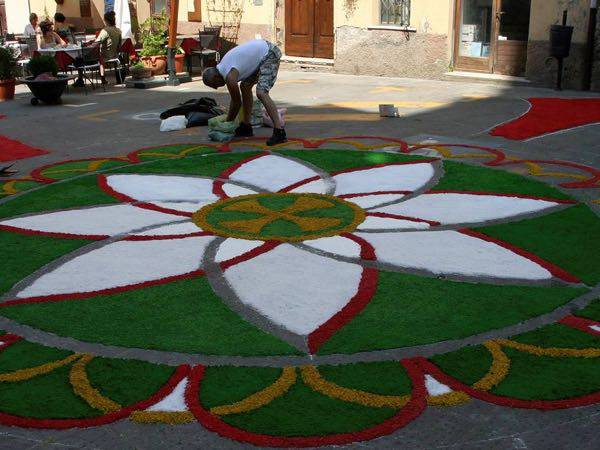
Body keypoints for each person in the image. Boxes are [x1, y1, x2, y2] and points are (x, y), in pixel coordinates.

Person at [202, 39, 286, 146]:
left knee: (261, 93)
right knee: (245, 87)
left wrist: (227, 124)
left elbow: (236, 103)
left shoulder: (229, 76)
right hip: (260, 56)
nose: (217, 87)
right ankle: (246, 126)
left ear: (215, 77)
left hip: (269, 53)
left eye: (215, 85)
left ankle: (279, 132)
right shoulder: (224, 67)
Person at [94, 11, 122, 84]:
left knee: (99, 58)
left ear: (106, 20)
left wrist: (90, 44)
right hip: (115, 55)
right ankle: (118, 77)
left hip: (105, 55)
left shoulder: (105, 30)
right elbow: (120, 44)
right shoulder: (118, 30)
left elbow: (97, 42)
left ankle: (103, 78)